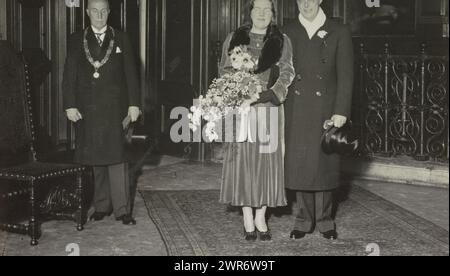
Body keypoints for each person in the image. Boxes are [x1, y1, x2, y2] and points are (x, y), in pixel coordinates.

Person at [219, 0, 295, 241]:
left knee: (267, 163)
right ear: (249, 11)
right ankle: (247, 215)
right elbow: (224, 70)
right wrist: (240, 91)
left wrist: (266, 94)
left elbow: (287, 72)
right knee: (243, 161)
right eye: (257, 8)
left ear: (273, 14)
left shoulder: (282, 40)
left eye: (267, 9)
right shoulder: (235, 37)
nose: (262, 13)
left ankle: (262, 215)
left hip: (269, 108)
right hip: (242, 109)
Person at [62, 0, 141, 225]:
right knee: (96, 158)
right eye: (94, 11)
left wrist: (134, 104)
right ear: (87, 13)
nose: (99, 15)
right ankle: (102, 205)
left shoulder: (122, 38)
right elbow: (69, 75)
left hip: (116, 108)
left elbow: (131, 74)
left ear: (109, 12)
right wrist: (70, 105)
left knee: (117, 158)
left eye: (103, 11)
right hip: (88, 108)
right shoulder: (76, 39)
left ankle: (122, 210)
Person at [283, 0, 354, 240]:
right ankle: (303, 219)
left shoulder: (338, 30)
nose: (306, 4)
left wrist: (341, 110)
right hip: (297, 107)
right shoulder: (288, 30)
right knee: (301, 163)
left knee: (323, 164)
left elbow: (346, 75)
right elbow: (279, 71)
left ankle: (325, 220)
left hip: (326, 108)